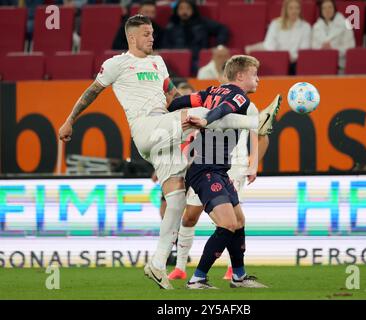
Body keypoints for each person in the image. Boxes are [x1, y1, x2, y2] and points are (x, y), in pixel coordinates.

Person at [58, 15, 269, 290]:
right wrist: (70, 120)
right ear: (132, 38)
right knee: (202, 115)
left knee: (177, 199)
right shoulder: (116, 64)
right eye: (146, 34)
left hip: (165, 135)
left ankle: (158, 263)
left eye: (152, 33)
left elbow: (171, 97)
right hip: (146, 128)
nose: (152, 37)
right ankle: (256, 121)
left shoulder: (158, 63)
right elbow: (91, 92)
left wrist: (195, 97)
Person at [166, 55, 270, 289]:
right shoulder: (239, 96)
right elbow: (225, 109)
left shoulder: (211, 91)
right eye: (254, 75)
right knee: (227, 224)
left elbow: (184, 101)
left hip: (219, 169)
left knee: (239, 221)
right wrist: (206, 121)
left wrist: (165, 109)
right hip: (206, 168)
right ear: (241, 76)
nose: (258, 80)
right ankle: (197, 278)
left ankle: (239, 276)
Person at [162, 0, 229, 74]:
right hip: (179, 60)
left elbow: (222, 29)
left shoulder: (202, 23)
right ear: (177, 11)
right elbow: (166, 47)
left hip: (199, 59)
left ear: (193, 10)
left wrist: (219, 46)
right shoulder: (171, 27)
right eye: (181, 9)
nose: (184, 11)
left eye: (188, 8)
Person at [245, 0, 311, 75]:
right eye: (291, 8)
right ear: (285, 9)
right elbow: (270, 45)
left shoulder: (306, 26)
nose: (294, 11)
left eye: (297, 8)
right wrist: (282, 58)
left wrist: (288, 58)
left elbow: (304, 49)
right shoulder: (275, 24)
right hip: (277, 61)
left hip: (296, 63)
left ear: (300, 10)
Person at [311, 0, 355, 70]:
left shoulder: (346, 24)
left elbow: (350, 47)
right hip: (320, 63)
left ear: (334, 9)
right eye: (324, 8)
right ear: (321, 11)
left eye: (330, 7)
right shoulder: (316, 26)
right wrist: (321, 48)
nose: (327, 10)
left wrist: (333, 49)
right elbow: (312, 46)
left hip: (339, 64)